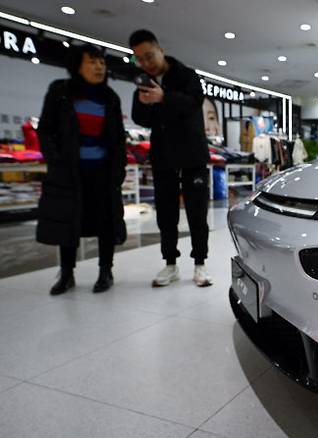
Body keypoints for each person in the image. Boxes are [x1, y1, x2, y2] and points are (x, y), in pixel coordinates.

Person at [36, 44, 127, 295]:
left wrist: (119, 168)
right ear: (77, 65)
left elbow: (118, 138)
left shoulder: (110, 98)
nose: (99, 67)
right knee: (69, 220)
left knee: (105, 221)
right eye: (92, 62)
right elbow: (45, 129)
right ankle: (66, 273)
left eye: (102, 62)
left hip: (102, 172)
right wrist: (56, 159)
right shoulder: (61, 92)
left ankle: (105, 270)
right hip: (69, 172)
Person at [129, 29, 212, 287]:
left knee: (197, 212)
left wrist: (164, 97)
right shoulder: (144, 82)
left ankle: (200, 264)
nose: (146, 63)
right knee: (165, 214)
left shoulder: (187, 75)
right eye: (139, 59)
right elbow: (139, 119)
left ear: (160, 50)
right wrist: (145, 102)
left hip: (192, 155)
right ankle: (170, 264)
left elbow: (193, 103)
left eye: (149, 56)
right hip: (163, 156)